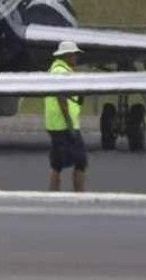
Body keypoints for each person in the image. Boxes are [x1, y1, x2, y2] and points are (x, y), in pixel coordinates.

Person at [44, 40, 87, 192]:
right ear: (67, 55)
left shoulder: (57, 69)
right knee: (80, 162)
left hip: (56, 124)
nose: (76, 58)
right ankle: (79, 196)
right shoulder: (61, 72)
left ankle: (53, 196)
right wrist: (69, 124)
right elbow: (61, 97)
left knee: (57, 164)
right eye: (74, 55)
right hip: (63, 125)